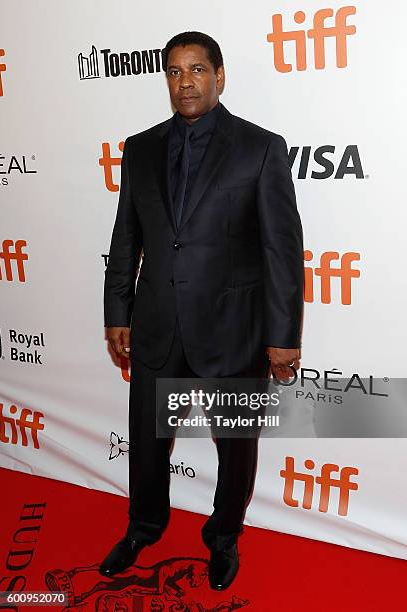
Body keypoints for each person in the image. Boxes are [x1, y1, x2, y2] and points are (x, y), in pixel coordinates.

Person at [100, 31, 304, 590]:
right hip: (157, 325)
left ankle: (224, 536)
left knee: (235, 448)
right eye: (173, 71)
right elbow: (126, 240)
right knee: (146, 440)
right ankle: (143, 526)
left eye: (196, 69)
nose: (184, 80)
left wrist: (283, 335)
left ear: (219, 76)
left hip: (233, 331)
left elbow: (281, 250)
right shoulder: (140, 149)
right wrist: (117, 310)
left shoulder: (261, 148)